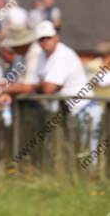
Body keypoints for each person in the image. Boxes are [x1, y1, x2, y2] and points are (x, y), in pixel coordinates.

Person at [34, 19, 102, 150]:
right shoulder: (41, 56)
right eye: (42, 39)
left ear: (56, 38)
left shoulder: (63, 55)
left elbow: (48, 88)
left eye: (48, 37)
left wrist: (37, 86)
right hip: (68, 115)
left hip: (84, 111)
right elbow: (37, 84)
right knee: (73, 156)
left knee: (88, 157)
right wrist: (38, 85)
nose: (45, 41)